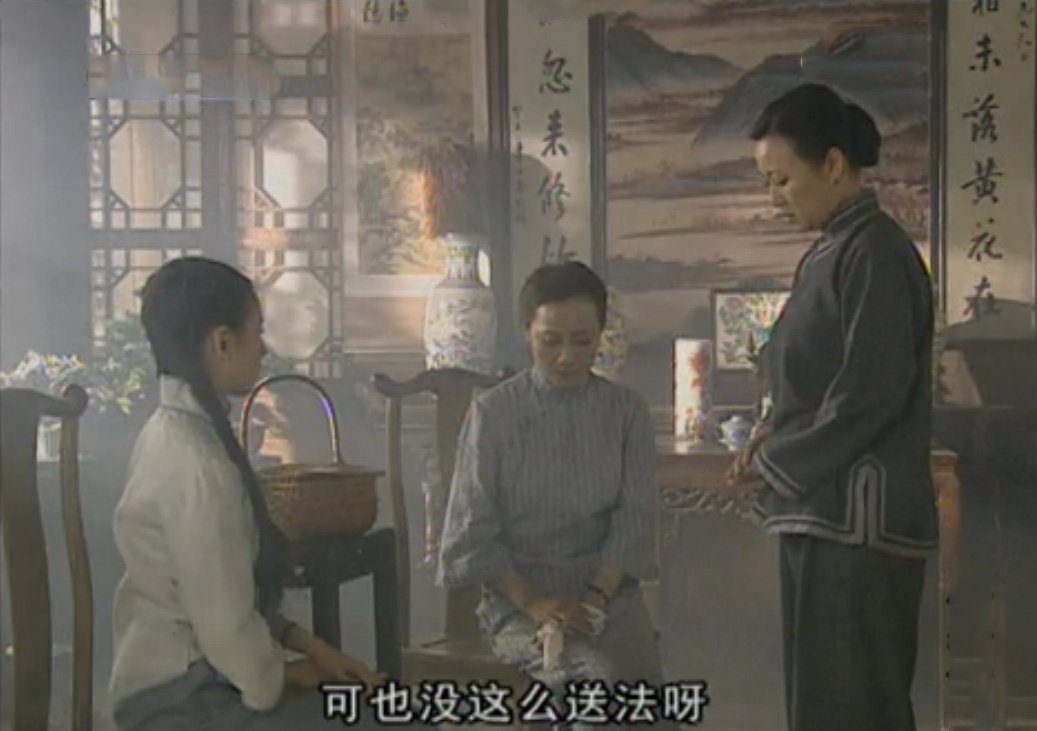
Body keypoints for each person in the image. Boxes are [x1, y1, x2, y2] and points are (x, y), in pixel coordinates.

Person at [108, 257, 398, 730]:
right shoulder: (194, 462)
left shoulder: (173, 433)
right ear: (223, 343)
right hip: (179, 700)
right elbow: (224, 628)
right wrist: (283, 676)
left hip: (199, 680)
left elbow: (227, 603)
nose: (262, 348)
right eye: (256, 332)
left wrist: (310, 649)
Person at [727, 83, 937, 731]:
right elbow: (805, 380)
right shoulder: (831, 250)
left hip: (858, 524)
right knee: (822, 704)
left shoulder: (876, 252)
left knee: (855, 705)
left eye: (782, 180)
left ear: (835, 164)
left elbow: (870, 393)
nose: (774, 198)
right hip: (822, 513)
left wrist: (778, 461)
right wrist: (766, 438)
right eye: (767, 182)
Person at [438, 262, 679, 730]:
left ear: (600, 335)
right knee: (592, 676)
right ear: (526, 332)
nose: (567, 356)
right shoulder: (494, 413)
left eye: (582, 341)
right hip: (521, 597)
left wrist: (594, 598)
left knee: (643, 693)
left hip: (607, 595)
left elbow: (633, 518)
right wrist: (533, 602)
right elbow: (472, 529)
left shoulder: (626, 413)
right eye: (550, 341)